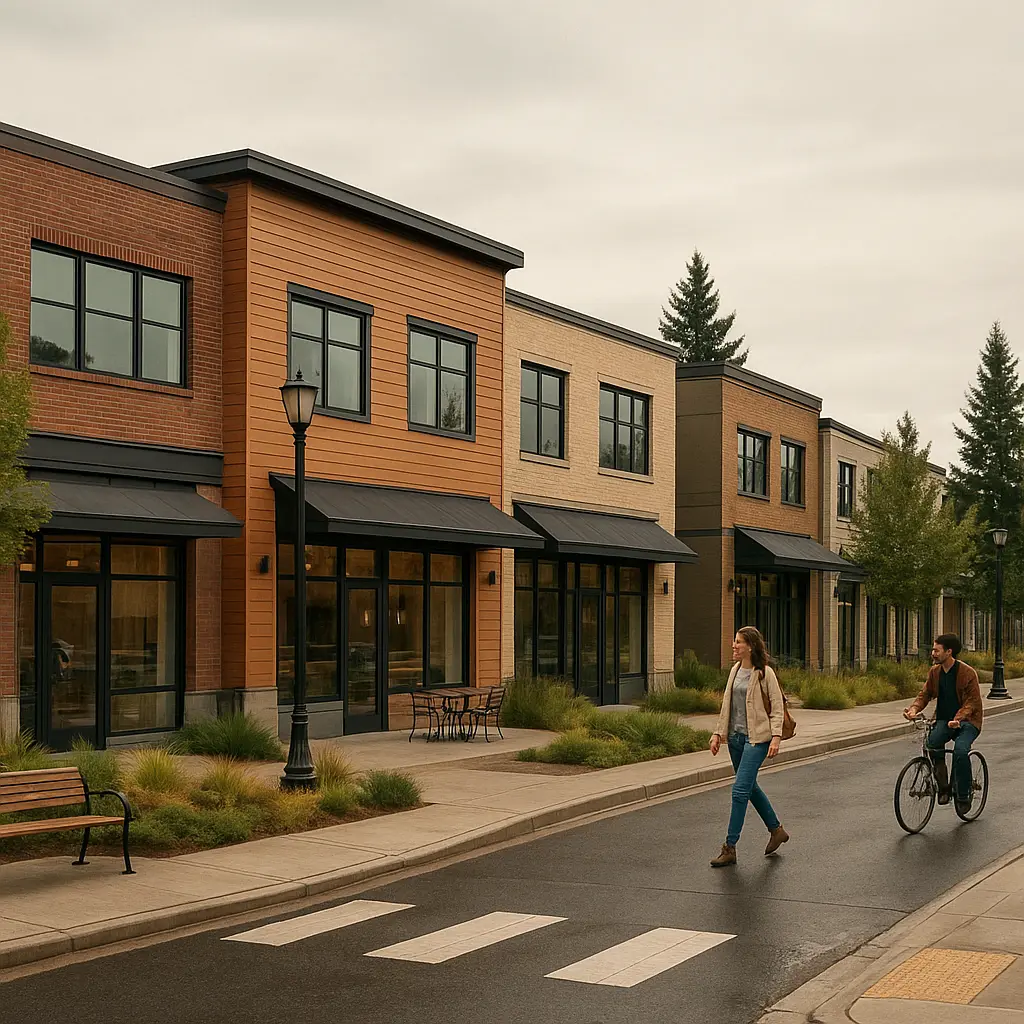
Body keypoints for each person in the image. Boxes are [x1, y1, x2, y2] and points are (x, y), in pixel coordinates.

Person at [708, 626, 788, 868]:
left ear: (750, 646)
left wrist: (776, 737)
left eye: (738, 642)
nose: (734, 645)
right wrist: (718, 733)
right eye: (734, 641)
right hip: (735, 739)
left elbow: (777, 707)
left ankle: (729, 847)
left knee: (740, 791)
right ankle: (776, 830)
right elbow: (727, 705)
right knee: (750, 787)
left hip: (757, 740)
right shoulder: (735, 671)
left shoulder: (765, 673)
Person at [904, 633, 983, 814]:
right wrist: (914, 709)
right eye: (933, 650)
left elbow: (972, 702)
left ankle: (963, 795)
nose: (933, 653)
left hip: (967, 722)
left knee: (960, 752)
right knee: (932, 744)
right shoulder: (935, 672)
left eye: (937, 650)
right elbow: (925, 694)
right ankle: (944, 788)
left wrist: (958, 719)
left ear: (949, 652)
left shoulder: (968, 673)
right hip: (944, 720)